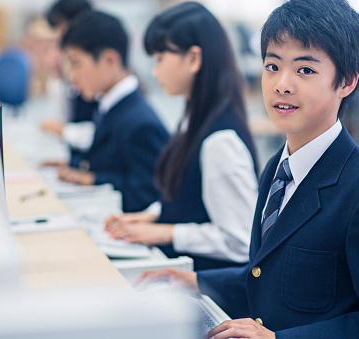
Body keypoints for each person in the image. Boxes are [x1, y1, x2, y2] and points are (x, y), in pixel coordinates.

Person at [134, 0, 359, 338]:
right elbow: (279, 277)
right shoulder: (278, 168)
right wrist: (194, 280)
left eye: (305, 70)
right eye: (272, 66)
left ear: (347, 81)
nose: (281, 84)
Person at [105, 2, 259, 271]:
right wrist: (149, 217)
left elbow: (240, 239)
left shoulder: (219, 141)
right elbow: (189, 197)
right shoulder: (195, 119)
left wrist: (167, 232)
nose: (155, 71)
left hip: (209, 290)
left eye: (160, 58)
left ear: (193, 59)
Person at [57, 10, 169, 212]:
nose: (72, 76)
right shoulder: (110, 104)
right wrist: (74, 165)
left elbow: (149, 192)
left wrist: (93, 178)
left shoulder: (141, 122)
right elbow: (109, 161)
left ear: (109, 60)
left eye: (76, 63)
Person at [41, 0, 98, 154]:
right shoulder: (70, 76)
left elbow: (102, 136)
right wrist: (61, 79)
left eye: (59, 28)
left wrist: (62, 130)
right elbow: (63, 118)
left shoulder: (97, 71)